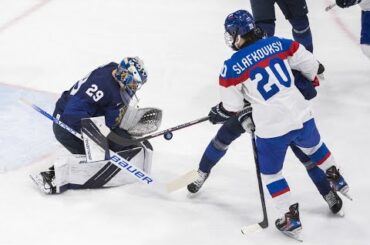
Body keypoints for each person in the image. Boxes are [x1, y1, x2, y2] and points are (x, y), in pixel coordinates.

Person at [190, 9, 350, 238]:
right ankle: (202, 172)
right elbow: (310, 64)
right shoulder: (276, 44)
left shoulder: (232, 65)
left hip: (268, 120)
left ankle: (324, 194)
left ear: (237, 33)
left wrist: (220, 112)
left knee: (283, 165)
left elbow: (230, 106)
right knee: (307, 150)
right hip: (288, 113)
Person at [30, 57, 162, 194]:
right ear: (124, 75)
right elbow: (72, 113)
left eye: (137, 84)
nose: (134, 88)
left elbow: (109, 105)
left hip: (91, 121)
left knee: (124, 143)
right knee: (97, 159)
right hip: (67, 126)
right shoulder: (101, 86)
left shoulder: (115, 71)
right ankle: (51, 176)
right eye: (133, 83)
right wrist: (97, 140)